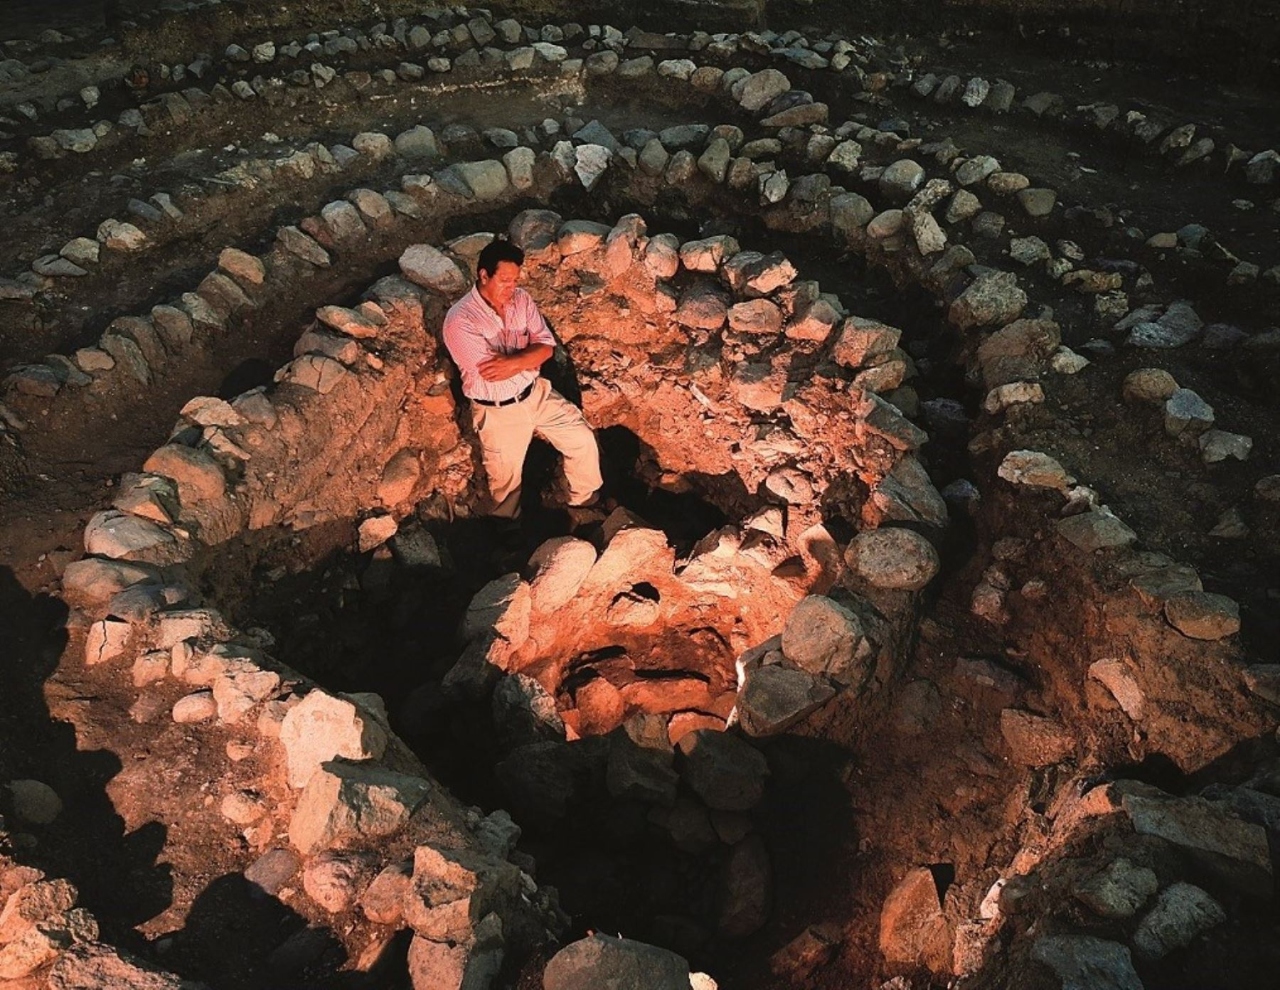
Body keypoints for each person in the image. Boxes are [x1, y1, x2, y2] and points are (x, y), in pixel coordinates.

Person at [441, 240, 603, 520]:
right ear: (483, 275)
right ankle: (508, 535)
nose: (511, 287)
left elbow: (546, 348)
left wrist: (515, 361)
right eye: (504, 280)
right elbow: (493, 375)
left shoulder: (522, 300)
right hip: (498, 410)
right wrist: (529, 358)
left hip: (536, 393)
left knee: (582, 439)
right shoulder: (459, 320)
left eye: (515, 280)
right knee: (506, 485)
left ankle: (584, 502)